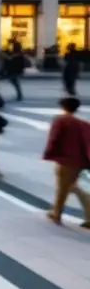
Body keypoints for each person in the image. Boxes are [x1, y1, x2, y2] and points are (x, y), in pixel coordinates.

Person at [42, 96, 90, 228]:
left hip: (66, 160)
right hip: (80, 161)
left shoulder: (60, 120)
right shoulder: (84, 124)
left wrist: (48, 153)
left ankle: (56, 213)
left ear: (62, 106)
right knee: (73, 187)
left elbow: (54, 138)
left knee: (62, 188)